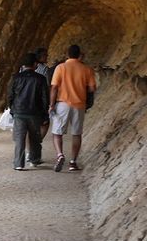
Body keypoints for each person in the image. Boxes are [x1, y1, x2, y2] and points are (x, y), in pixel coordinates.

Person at [48, 44, 98, 172]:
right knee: (76, 133)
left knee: (57, 133)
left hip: (62, 104)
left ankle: (60, 155)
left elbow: (54, 87)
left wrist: (52, 104)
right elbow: (92, 88)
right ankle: (72, 162)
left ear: (67, 54)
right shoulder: (87, 69)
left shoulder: (60, 68)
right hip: (79, 104)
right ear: (79, 54)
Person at [7, 52, 49, 169]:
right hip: (35, 112)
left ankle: (18, 164)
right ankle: (34, 159)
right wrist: (45, 113)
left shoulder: (16, 78)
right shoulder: (40, 79)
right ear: (35, 64)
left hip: (19, 112)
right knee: (35, 137)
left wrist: (12, 109)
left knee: (20, 138)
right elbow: (45, 98)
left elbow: (10, 96)